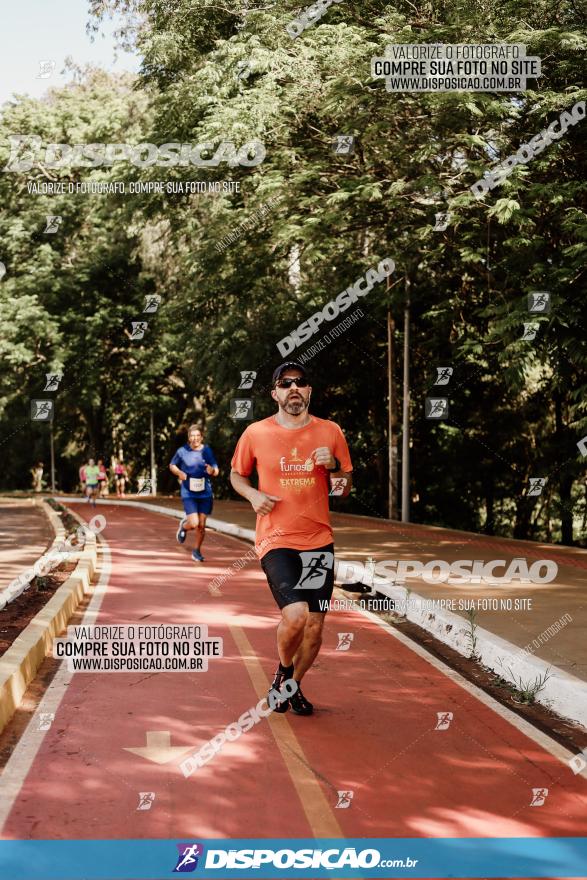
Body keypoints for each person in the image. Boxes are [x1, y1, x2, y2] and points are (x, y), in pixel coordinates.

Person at [230, 362, 352, 715]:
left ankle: (291, 684)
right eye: (286, 384)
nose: (294, 389)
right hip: (277, 540)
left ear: (310, 391)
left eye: (301, 383)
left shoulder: (330, 432)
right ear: (275, 393)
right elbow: (237, 476)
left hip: (318, 541)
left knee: (315, 626)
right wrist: (253, 496)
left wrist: (333, 469)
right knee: (296, 615)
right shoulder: (255, 433)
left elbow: (343, 489)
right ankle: (284, 674)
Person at [169, 425, 219, 563]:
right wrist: (179, 472)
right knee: (194, 523)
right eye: (192, 435)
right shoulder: (182, 451)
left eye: (198, 435)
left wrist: (212, 471)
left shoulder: (207, 451)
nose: (195, 438)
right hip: (188, 492)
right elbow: (172, 465)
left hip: (205, 493)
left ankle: (197, 551)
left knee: (201, 525)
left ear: (201, 437)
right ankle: (184, 526)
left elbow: (216, 469)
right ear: (189, 437)